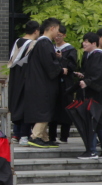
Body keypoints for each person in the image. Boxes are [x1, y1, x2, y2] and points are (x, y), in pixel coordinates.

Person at [23, 18, 63, 148]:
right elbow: (49, 65)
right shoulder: (44, 43)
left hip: (38, 82)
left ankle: (44, 137)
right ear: (52, 28)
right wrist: (61, 69)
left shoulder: (40, 43)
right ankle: (35, 136)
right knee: (45, 109)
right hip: (42, 83)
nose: (58, 32)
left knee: (44, 109)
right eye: (57, 29)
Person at [8, 20, 40, 146]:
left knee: (17, 103)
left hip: (16, 78)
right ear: (36, 31)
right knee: (26, 105)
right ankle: (24, 135)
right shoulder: (34, 44)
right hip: (28, 78)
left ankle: (16, 134)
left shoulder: (17, 42)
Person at [76, 33, 102, 159]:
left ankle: (92, 151)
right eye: (84, 41)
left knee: (91, 121)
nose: (84, 43)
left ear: (94, 43)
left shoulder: (98, 55)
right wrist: (83, 76)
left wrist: (87, 81)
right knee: (99, 122)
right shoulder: (90, 55)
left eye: (87, 41)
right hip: (95, 93)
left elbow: (98, 74)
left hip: (96, 94)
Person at [50, 25, 77, 144]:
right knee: (53, 109)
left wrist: (62, 58)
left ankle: (64, 136)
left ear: (64, 35)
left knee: (66, 108)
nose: (57, 38)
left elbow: (72, 66)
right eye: (56, 35)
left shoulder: (70, 49)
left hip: (66, 83)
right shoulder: (50, 47)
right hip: (54, 83)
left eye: (59, 36)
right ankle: (51, 136)